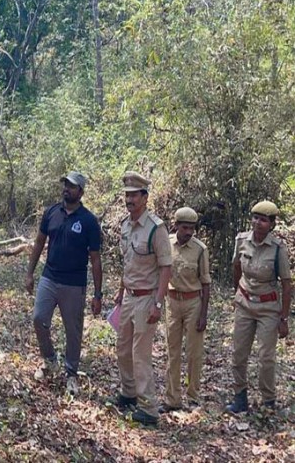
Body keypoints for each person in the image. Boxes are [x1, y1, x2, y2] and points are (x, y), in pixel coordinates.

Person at [25, 172, 103, 395]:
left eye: (72, 186)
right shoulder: (51, 213)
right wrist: (30, 273)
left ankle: (71, 374)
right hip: (49, 277)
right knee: (39, 319)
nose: (67, 189)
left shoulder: (88, 221)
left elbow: (95, 259)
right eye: (65, 185)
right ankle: (50, 360)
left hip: (74, 284)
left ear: (81, 192)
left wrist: (97, 294)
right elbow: (39, 242)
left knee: (73, 331)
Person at [114, 171, 172, 426]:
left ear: (145, 198)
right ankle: (129, 394)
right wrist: (120, 291)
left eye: (134, 195)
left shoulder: (156, 228)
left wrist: (158, 303)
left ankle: (148, 407)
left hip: (147, 298)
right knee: (123, 348)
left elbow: (166, 267)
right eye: (127, 195)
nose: (130, 200)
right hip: (128, 297)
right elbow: (127, 263)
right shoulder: (125, 226)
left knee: (141, 354)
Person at [226, 201, 291, 413]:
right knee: (238, 354)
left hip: (268, 308)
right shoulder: (241, 240)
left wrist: (283, 318)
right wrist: (238, 294)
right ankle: (239, 397)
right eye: (255, 218)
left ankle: (268, 401)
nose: (258, 223)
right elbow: (237, 267)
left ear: (272, 224)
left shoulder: (278, 249)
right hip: (244, 304)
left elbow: (286, 283)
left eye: (263, 220)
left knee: (266, 357)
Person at [162, 207, 211, 413]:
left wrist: (203, 314)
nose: (189, 232)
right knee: (172, 351)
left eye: (192, 228)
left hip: (193, 303)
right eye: (184, 227)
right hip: (172, 302)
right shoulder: (166, 244)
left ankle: (193, 396)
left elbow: (206, 283)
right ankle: (172, 398)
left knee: (194, 352)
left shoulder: (200, 249)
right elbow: (161, 273)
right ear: (176, 226)